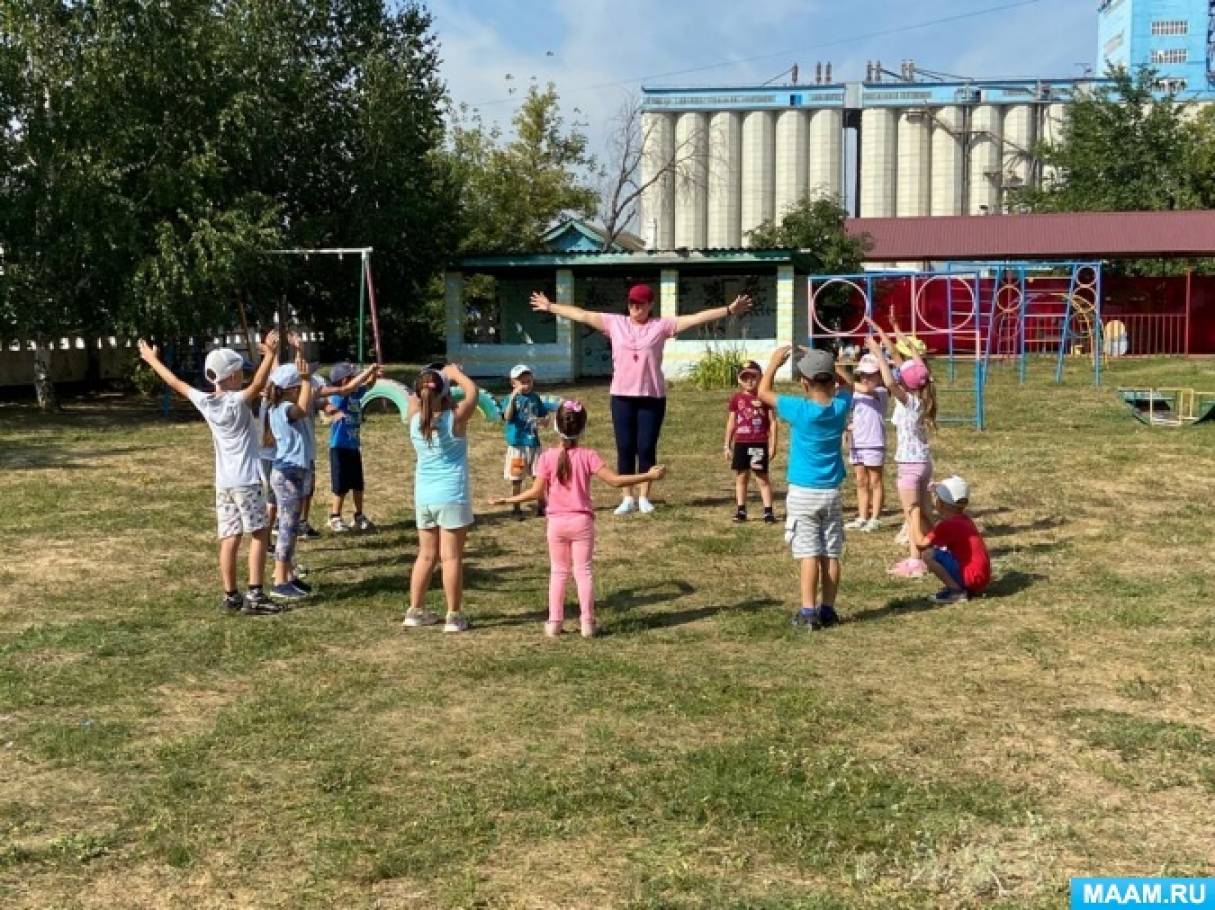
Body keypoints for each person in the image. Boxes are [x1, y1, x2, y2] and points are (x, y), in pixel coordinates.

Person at [530, 283, 752, 515]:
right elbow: (582, 315)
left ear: (650, 305)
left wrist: (728, 310)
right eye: (631, 304)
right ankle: (627, 498)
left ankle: (644, 496)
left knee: (645, 447)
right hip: (622, 397)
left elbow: (696, 318)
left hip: (652, 397)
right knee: (625, 448)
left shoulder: (661, 326)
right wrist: (550, 306)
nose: (635, 308)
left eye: (640, 304)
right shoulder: (615, 323)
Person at [488, 401, 666, 638]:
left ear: (555, 426)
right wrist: (648, 475)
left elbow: (535, 492)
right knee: (583, 571)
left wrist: (507, 501)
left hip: (556, 524)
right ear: (583, 429)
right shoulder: (588, 456)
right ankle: (588, 623)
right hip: (582, 523)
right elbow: (615, 481)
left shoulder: (547, 457)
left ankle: (554, 623)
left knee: (558, 572)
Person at [137, 330, 282, 615]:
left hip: (224, 484)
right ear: (229, 377)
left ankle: (230, 596)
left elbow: (176, 382)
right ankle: (255, 596)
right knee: (260, 533)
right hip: (247, 480)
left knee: (229, 538)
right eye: (239, 372)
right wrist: (272, 354)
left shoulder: (204, 401)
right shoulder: (236, 401)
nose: (242, 376)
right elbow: (258, 385)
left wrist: (152, 360)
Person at [757, 345, 853, 631]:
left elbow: (763, 393)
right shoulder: (840, 406)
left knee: (808, 553)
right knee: (830, 553)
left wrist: (773, 363)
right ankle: (828, 609)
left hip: (802, 493)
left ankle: (808, 611)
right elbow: (848, 385)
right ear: (832, 381)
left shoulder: (798, 409)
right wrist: (827, 360)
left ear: (804, 382)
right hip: (832, 493)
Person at [405, 363, 478, 633]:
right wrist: (456, 373)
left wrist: (427, 376)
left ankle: (415, 609)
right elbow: (473, 393)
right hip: (451, 495)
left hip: (424, 496)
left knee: (425, 556)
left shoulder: (414, 419)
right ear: (445, 393)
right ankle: (454, 615)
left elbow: (416, 396)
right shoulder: (454, 419)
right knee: (451, 557)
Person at [862, 319, 937, 579]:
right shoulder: (922, 393)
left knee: (912, 513)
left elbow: (890, 379)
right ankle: (937, 548)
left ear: (904, 382)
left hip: (910, 467)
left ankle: (916, 560)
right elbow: (911, 361)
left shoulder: (909, 401)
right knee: (924, 512)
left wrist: (876, 353)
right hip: (925, 463)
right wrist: (893, 331)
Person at [264, 354, 317, 602]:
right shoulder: (284, 408)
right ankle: (279, 581)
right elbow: (303, 409)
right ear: (292, 390)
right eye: (300, 388)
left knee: (291, 527)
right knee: (286, 528)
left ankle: (288, 576)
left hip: (292, 473)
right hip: (287, 474)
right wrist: (306, 380)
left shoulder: (278, 406)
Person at [906, 475, 991, 603]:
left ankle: (956, 591)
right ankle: (960, 587)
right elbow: (933, 535)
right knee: (935, 553)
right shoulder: (963, 520)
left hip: (971, 577)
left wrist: (914, 516)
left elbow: (921, 544)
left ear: (940, 503)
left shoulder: (948, 524)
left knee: (928, 555)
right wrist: (921, 517)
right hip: (981, 578)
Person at [325, 360, 382, 532]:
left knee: (357, 484)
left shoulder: (355, 394)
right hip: (339, 447)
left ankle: (358, 515)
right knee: (340, 485)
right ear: (343, 381)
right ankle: (335, 517)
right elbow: (351, 387)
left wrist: (373, 375)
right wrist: (368, 370)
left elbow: (369, 385)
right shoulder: (339, 396)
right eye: (353, 377)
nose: (357, 380)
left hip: (353, 447)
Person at [723, 360, 778, 524]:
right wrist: (727, 444)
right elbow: (731, 422)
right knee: (741, 477)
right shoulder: (736, 398)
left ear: (760, 378)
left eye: (753, 377)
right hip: (741, 442)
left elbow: (773, 422)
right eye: (745, 377)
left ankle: (768, 511)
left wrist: (773, 444)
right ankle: (741, 510)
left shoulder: (765, 397)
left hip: (758, 443)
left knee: (762, 477)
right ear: (739, 379)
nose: (749, 381)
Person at [843, 353, 889, 533]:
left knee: (875, 481)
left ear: (879, 375)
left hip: (874, 442)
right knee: (861, 481)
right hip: (857, 443)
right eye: (863, 374)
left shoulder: (881, 392)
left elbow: (863, 389)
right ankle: (862, 516)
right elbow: (851, 413)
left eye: (870, 375)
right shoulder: (855, 394)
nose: (866, 378)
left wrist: (838, 371)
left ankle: (875, 517)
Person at [501, 364, 554, 520]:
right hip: (518, 445)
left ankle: (542, 506)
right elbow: (508, 417)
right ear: (513, 383)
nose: (526, 385)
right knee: (517, 478)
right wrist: (512, 398)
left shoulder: (535, 398)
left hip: (533, 444)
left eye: (529, 381)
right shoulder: (511, 399)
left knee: (539, 476)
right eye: (522, 382)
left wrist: (544, 421)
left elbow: (544, 416)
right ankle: (516, 508)